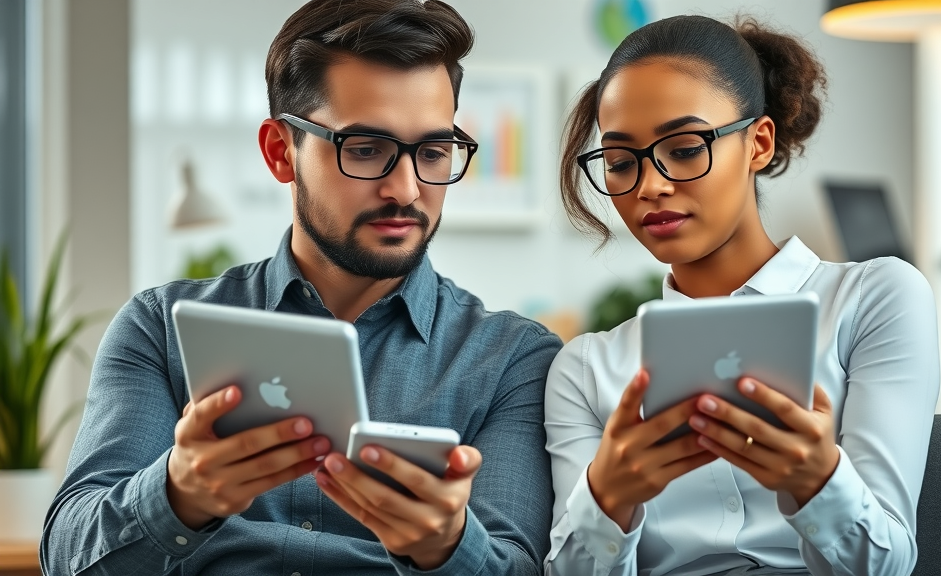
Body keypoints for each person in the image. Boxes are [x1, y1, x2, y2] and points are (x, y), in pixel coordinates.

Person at [41, 1, 562, 574]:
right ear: (280, 151)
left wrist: (447, 546)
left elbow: (519, 565)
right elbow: (66, 555)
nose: (407, 189)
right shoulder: (158, 326)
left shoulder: (514, 359)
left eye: (434, 153)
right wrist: (179, 494)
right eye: (366, 150)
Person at [544, 14, 939, 576]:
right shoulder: (585, 369)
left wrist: (818, 484)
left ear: (758, 143)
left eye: (683, 148)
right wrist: (608, 498)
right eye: (621, 162)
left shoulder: (874, 299)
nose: (650, 185)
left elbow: (887, 565)